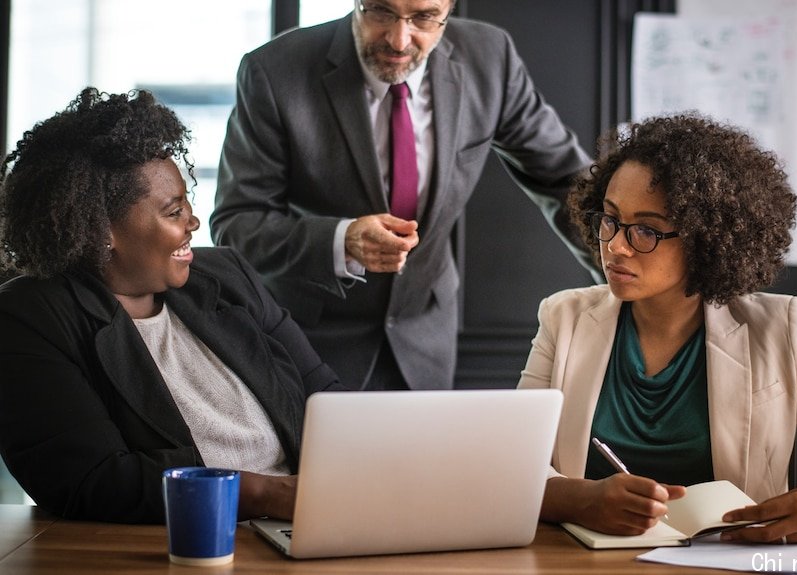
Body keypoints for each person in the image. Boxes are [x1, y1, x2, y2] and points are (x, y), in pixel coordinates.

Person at [210, 0, 600, 391]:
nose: (399, 40)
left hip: (426, 335)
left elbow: (567, 180)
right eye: (381, 11)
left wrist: (629, 277)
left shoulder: (489, 58)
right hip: (309, 340)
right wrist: (342, 240)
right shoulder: (274, 70)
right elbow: (237, 223)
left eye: (424, 17)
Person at [0, 88, 344, 524]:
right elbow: (93, 479)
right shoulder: (31, 317)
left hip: (306, 524)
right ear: (102, 230)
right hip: (175, 543)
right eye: (173, 211)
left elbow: (326, 400)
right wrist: (264, 494)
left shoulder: (227, 276)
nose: (193, 223)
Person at [518, 113, 797, 543]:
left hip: (733, 565)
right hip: (578, 564)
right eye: (609, 219)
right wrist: (578, 499)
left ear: (707, 238)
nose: (616, 246)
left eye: (646, 229)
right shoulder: (563, 317)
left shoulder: (782, 329)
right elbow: (515, 462)